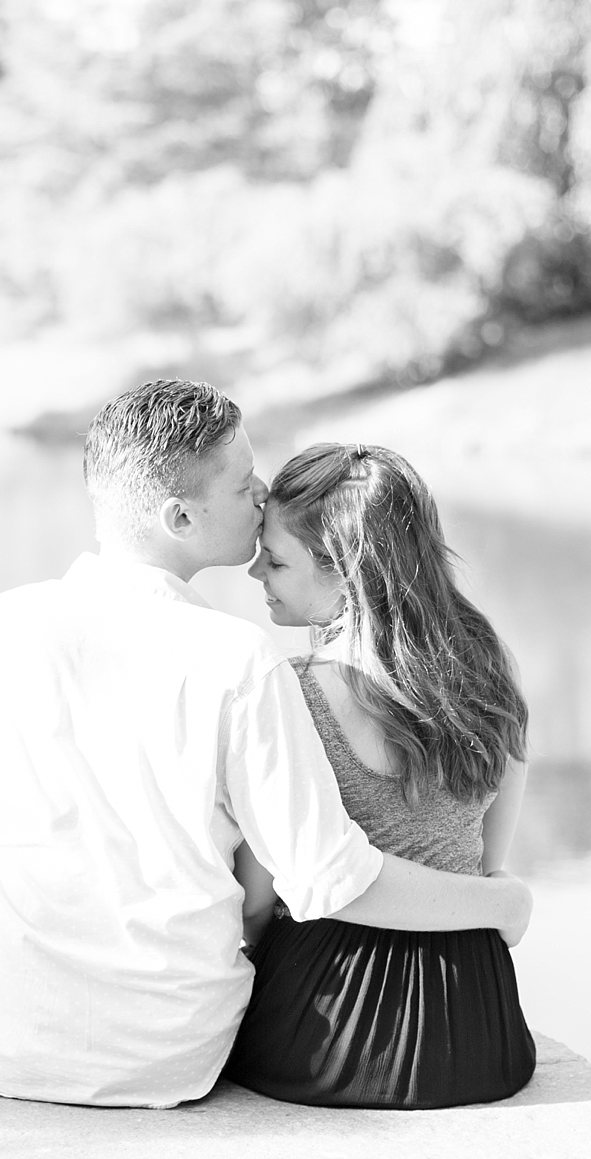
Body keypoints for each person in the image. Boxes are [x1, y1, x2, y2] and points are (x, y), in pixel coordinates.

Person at [0, 380, 532, 1108]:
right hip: (177, 1049)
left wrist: (32, 958)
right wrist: (503, 902)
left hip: (11, 1040)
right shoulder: (244, 662)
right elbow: (304, 885)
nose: (263, 493)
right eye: (244, 484)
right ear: (179, 515)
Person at [225, 442, 537, 1108]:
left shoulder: (290, 692)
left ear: (344, 573)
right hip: (481, 1038)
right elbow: (485, 866)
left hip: (324, 1039)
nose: (255, 570)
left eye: (276, 559)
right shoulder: (490, 671)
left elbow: (256, 896)